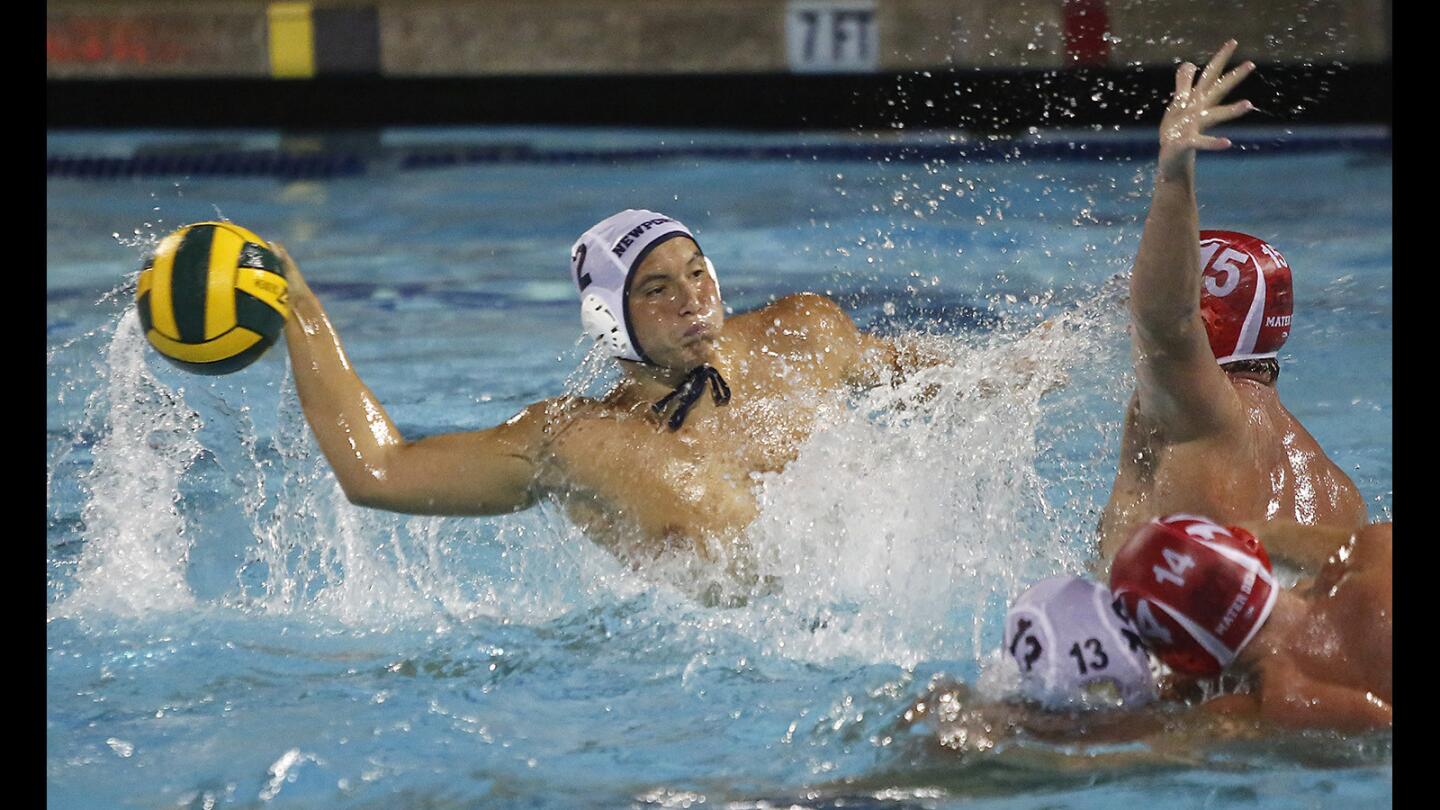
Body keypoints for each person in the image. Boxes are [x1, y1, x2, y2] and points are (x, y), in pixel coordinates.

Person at [274, 210, 943, 567]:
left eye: (697, 273)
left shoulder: (799, 335)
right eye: (657, 288)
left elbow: (924, 377)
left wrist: (1031, 366)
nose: (694, 301)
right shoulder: (580, 441)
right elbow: (380, 472)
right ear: (609, 320)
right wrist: (300, 310)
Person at [1096, 40, 1366, 563]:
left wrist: (1174, 171)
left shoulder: (1197, 411)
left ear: (1206, 319)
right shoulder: (1339, 494)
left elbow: (1165, 321)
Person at [1110, 513, 1391, 730]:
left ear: (1190, 662)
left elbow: (1119, 743)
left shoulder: (1266, 709)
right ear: (1253, 548)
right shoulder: (1376, 551)